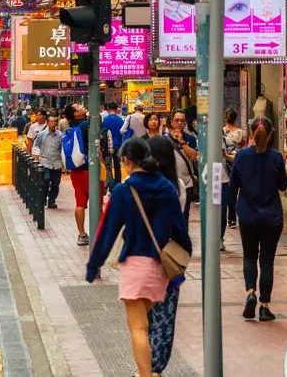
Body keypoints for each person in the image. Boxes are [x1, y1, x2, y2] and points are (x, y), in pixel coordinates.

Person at [86, 138, 192, 377]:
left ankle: (146, 375)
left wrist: (94, 266)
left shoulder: (125, 189)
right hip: (160, 268)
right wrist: (184, 256)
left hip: (135, 265)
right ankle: (152, 372)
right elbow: (179, 229)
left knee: (139, 329)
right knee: (155, 324)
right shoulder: (167, 187)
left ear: (127, 160)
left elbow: (108, 230)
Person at [230, 116, 287, 322]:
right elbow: (283, 185)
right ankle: (264, 305)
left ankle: (250, 292)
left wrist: (231, 213)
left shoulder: (241, 156)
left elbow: (233, 185)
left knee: (249, 256)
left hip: (247, 214)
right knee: (267, 261)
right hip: (272, 216)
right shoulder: (276, 157)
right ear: (270, 135)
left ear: (251, 134)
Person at [144, 135, 187, 376]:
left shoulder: (143, 185)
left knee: (144, 316)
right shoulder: (178, 186)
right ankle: (156, 367)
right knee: (165, 316)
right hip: (170, 257)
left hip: (145, 257)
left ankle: (146, 366)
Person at [66, 104, 100, 246]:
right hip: (90, 169)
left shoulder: (71, 127)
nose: (82, 106)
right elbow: (97, 144)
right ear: (76, 114)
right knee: (96, 201)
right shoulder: (86, 126)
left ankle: (82, 234)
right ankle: (98, 234)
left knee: (80, 202)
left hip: (76, 169)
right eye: (78, 107)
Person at [168, 110, 199, 221]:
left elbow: (193, 156)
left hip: (187, 182)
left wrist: (181, 142)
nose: (179, 123)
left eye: (182, 120)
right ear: (171, 122)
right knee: (170, 213)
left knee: (184, 214)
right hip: (169, 182)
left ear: (185, 123)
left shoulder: (190, 139)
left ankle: (183, 236)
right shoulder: (165, 139)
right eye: (176, 120)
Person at [222, 107, 244, 239]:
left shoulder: (221, 131)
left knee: (230, 190)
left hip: (226, 161)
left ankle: (230, 218)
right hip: (235, 161)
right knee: (234, 191)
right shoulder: (240, 132)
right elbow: (242, 146)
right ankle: (232, 219)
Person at [34, 114, 64, 209]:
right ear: (47, 123)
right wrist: (37, 160)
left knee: (56, 183)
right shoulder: (41, 135)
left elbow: (62, 149)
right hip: (45, 163)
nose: (53, 123)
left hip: (57, 163)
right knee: (45, 181)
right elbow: (36, 146)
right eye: (51, 121)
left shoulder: (60, 135)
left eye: (55, 121)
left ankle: (51, 201)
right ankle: (43, 199)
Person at [102, 101, 125, 186]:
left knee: (108, 166)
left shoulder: (105, 120)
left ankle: (110, 184)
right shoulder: (121, 120)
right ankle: (118, 183)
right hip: (118, 145)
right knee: (117, 166)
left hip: (107, 146)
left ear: (108, 109)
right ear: (116, 109)